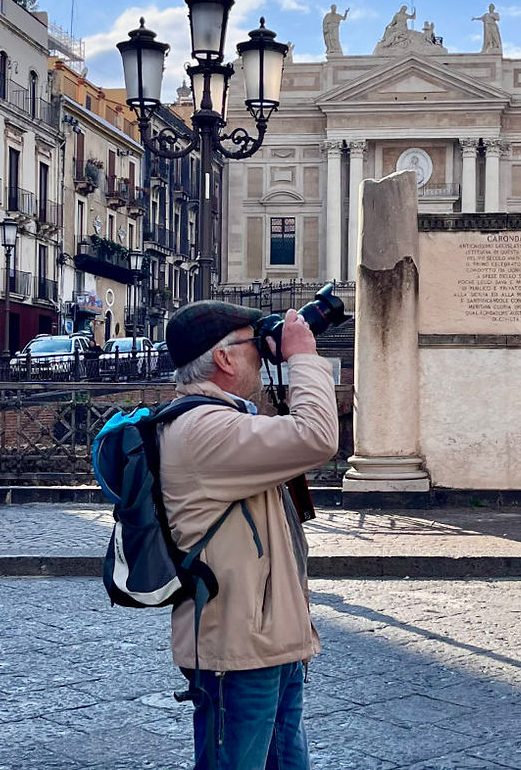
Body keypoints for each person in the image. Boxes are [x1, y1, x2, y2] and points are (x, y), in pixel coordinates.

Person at [159, 300, 338, 770]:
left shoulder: (224, 419)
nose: (261, 352)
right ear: (222, 359)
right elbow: (317, 436)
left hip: (269, 642)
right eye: (251, 343)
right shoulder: (202, 429)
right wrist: (302, 356)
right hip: (237, 654)